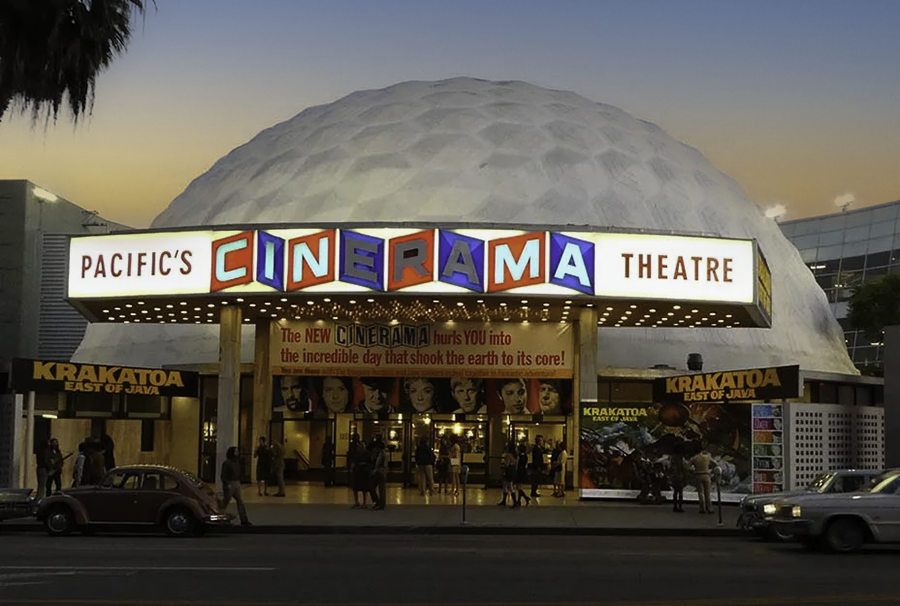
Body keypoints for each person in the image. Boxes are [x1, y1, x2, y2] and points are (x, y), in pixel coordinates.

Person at [220, 446, 251, 526]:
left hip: (236, 482)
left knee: (240, 501)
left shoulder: (237, 462)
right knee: (226, 501)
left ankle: (244, 519)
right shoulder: (227, 463)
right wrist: (227, 484)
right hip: (230, 483)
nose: (237, 453)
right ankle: (219, 516)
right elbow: (223, 475)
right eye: (236, 451)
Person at [690, 446, 718, 514]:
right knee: (707, 492)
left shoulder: (694, 458)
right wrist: (710, 470)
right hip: (706, 475)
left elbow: (688, 466)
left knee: (701, 492)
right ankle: (710, 508)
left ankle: (702, 508)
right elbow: (715, 464)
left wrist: (693, 471)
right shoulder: (707, 457)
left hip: (698, 475)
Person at [348, 433, 372, 508]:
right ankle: (357, 501)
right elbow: (353, 462)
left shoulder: (367, 454)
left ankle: (364, 502)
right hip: (358, 471)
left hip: (364, 472)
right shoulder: (356, 454)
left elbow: (369, 463)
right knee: (355, 487)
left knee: (364, 488)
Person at [370, 438, 388, 510]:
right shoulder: (378, 454)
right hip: (379, 472)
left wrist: (376, 470)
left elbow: (383, 465)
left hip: (380, 473)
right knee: (374, 487)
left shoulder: (383, 454)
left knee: (381, 489)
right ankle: (379, 502)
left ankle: (380, 503)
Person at [499, 442, 518, 507]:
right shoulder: (515, 455)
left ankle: (510, 501)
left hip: (508, 470)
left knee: (507, 485)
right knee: (510, 485)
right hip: (513, 470)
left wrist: (502, 466)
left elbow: (506, 464)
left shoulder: (508, 455)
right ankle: (513, 501)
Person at [669, 442, 687, 513]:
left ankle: (675, 506)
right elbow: (681, 467)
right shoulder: (679, 458)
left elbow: (671, 467)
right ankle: (680, 507)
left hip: (674, 476)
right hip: (679, 476)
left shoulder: (672, 457)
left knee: (675, 492)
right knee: (680, 492)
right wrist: (685, 474)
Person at [514, 442, 531, 507]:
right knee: (520, 487)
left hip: (519, 471)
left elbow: (517, 464)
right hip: (523, 471)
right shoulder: (525, 456)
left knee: (518, 487)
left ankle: (523, 499)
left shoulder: (518, 456)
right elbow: (526, 465)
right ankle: (522, 499)